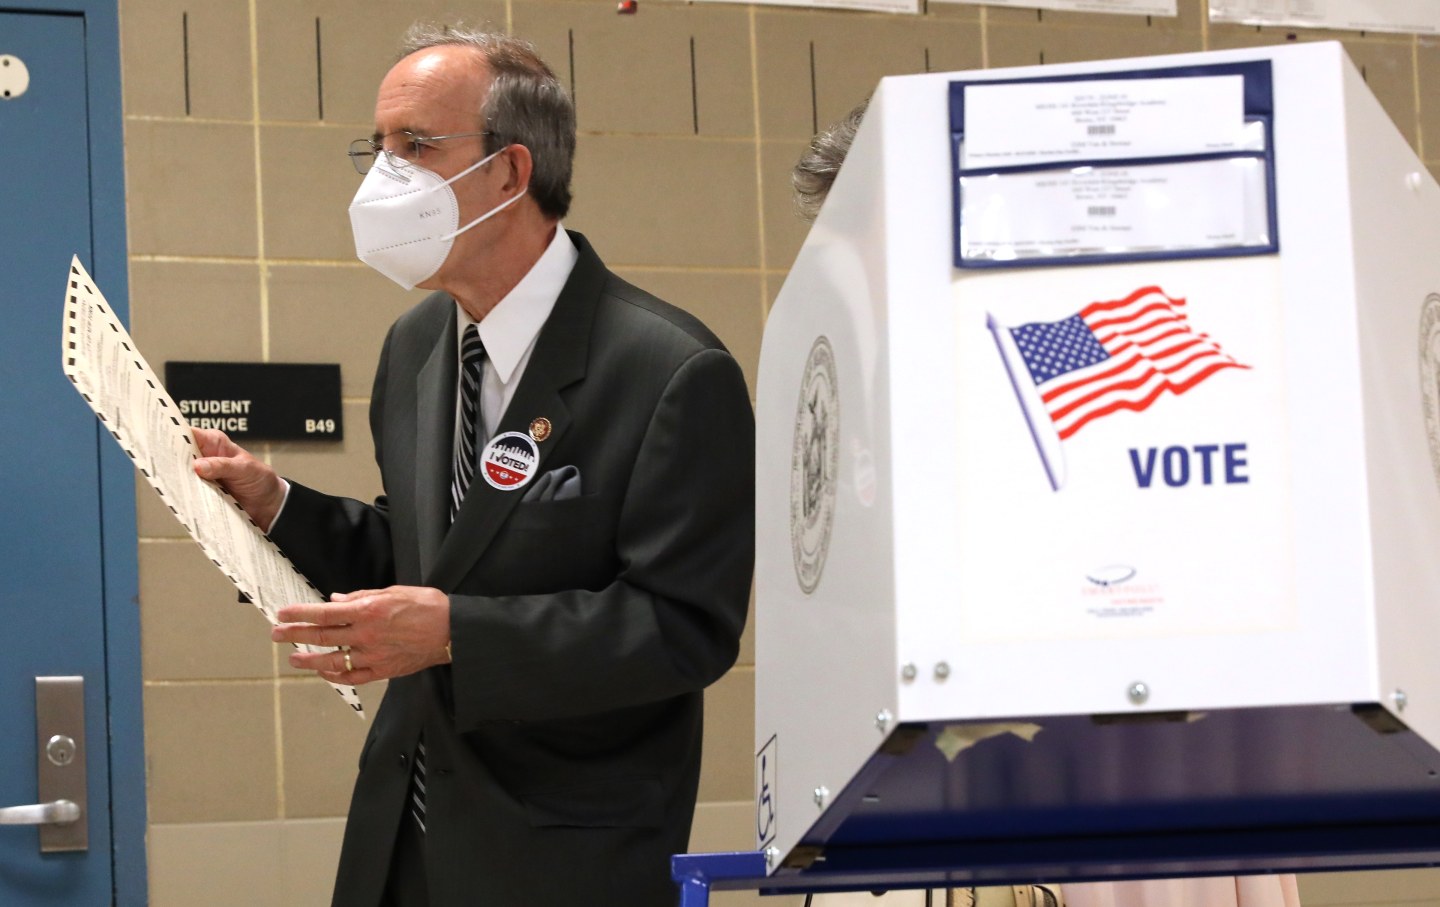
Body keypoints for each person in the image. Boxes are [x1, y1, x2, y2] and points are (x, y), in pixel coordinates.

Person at [192, 23, 754, 907]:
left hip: (564, 856)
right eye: (377, 148)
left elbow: (685, 628)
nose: (387, 177)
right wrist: (279, 505)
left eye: (416, 146)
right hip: (400, 840)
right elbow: (425, 560)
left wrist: (457, 633)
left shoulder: (670, 370)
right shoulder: (417, 345)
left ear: (511, 172)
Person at [790, 108, 1302, 907]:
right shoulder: (850, 399)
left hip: (1111, 790)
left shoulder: (1079, 357)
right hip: (908, 794)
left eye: (869, 237)